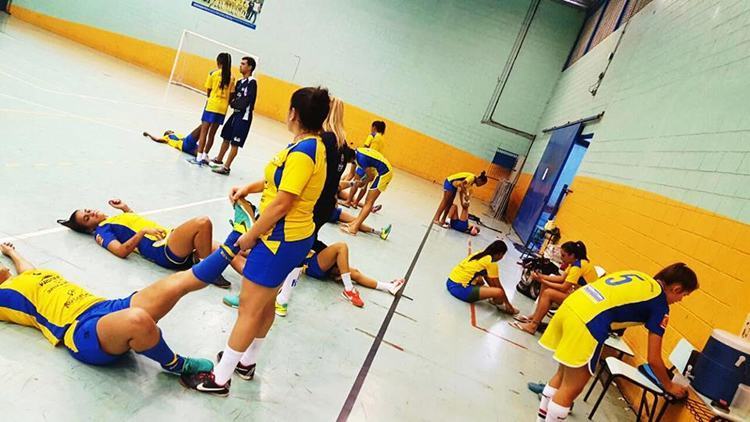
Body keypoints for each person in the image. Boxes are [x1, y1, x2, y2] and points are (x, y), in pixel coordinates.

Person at [180, 87, 330, 396]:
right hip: (295, 237)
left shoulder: (303, 152)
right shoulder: (312, 145)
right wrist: (249, 187)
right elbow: (282, 182)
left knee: (249, 308)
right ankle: (247, 362)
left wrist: (249, 236)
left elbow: (282, 203)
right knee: (264, 304)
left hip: (279, 240)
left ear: (294, 114)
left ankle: (220, 379)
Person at [0, 242, 216, 377]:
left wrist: (11, 252)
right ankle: (175, 363)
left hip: (104, 306)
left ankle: (234, 246)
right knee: (138, 320)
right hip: (79, 329)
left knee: (177, 281)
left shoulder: (26, 276)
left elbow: (25, 267)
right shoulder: (4, 296)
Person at [535, 264, 697, 422]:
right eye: (684, 295)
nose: (680, 300)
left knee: (562, 375)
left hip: (571, 306)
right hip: (588, 322)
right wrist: (669, 386)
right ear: (676, 288)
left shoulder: (639, 275)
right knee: (570, 388)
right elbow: (653, 359)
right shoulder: (660, 305)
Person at [58, 199, 240, 288]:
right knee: (203, 223)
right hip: (163, 249)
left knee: (233, 249)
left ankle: (256, 283)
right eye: (87, 218)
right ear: (89, 229)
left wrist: (126, 209)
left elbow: (133, 224)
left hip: (170, 238)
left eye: (87, 211)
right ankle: (209, 270)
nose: (91, 214)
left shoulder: (114, 218)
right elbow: (120, 251)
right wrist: (142, 233)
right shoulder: (102, 231)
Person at [510, 241, 597, 335]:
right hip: (579, 295)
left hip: (585, 302)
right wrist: (541, 276)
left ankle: (533, 326)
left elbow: (563, 287)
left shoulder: (577, 267)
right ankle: (534, 317)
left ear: (572, 255)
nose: (561, 258)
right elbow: (561, 278)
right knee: (546, 286)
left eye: (563, 255)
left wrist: (541, 280)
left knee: (548, 293)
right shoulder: (574, 263)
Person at [211, 56, 258, 176]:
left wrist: (235, 103)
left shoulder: (252, 82)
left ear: (250, 67)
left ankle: (226, 167)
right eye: (240, 63)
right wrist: (233, 103)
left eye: (243, 64)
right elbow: (234, 98)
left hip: (243, 117)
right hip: (235, 114)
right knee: (226, 136)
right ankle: (219, 159)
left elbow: (246, 100)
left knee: (235, 143)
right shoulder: (239, 82)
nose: (240, 65)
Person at [445, 240, 518, 315]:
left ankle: (494, 299)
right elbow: (499, 287)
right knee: (499, 292)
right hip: (459, 289)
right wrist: (508, 305)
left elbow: (489, 280)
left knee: (481, 281)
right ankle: (502, 307)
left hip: (450, 282)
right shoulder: (491, 263)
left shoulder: (480, 254)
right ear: (500, 254)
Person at [188, 52, 234, 166]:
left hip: (212, 105)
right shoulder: (232, 77)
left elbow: (208, 90)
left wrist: (212, 97)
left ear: (219, 62)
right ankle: (205, 155)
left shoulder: (213, 73)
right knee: (212, 134)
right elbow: (232, 94)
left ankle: (198, 158)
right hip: (222, 108)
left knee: (204, 132)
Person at [340, 147, 393, 236]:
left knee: (369, 202)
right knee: (367, 201)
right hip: (379, 171)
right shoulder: (358, 154)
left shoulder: (361, 159)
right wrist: (362, 182)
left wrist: (362, 183)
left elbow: (370, 176)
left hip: (384, 173)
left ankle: (354, 228)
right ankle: (354, 223)